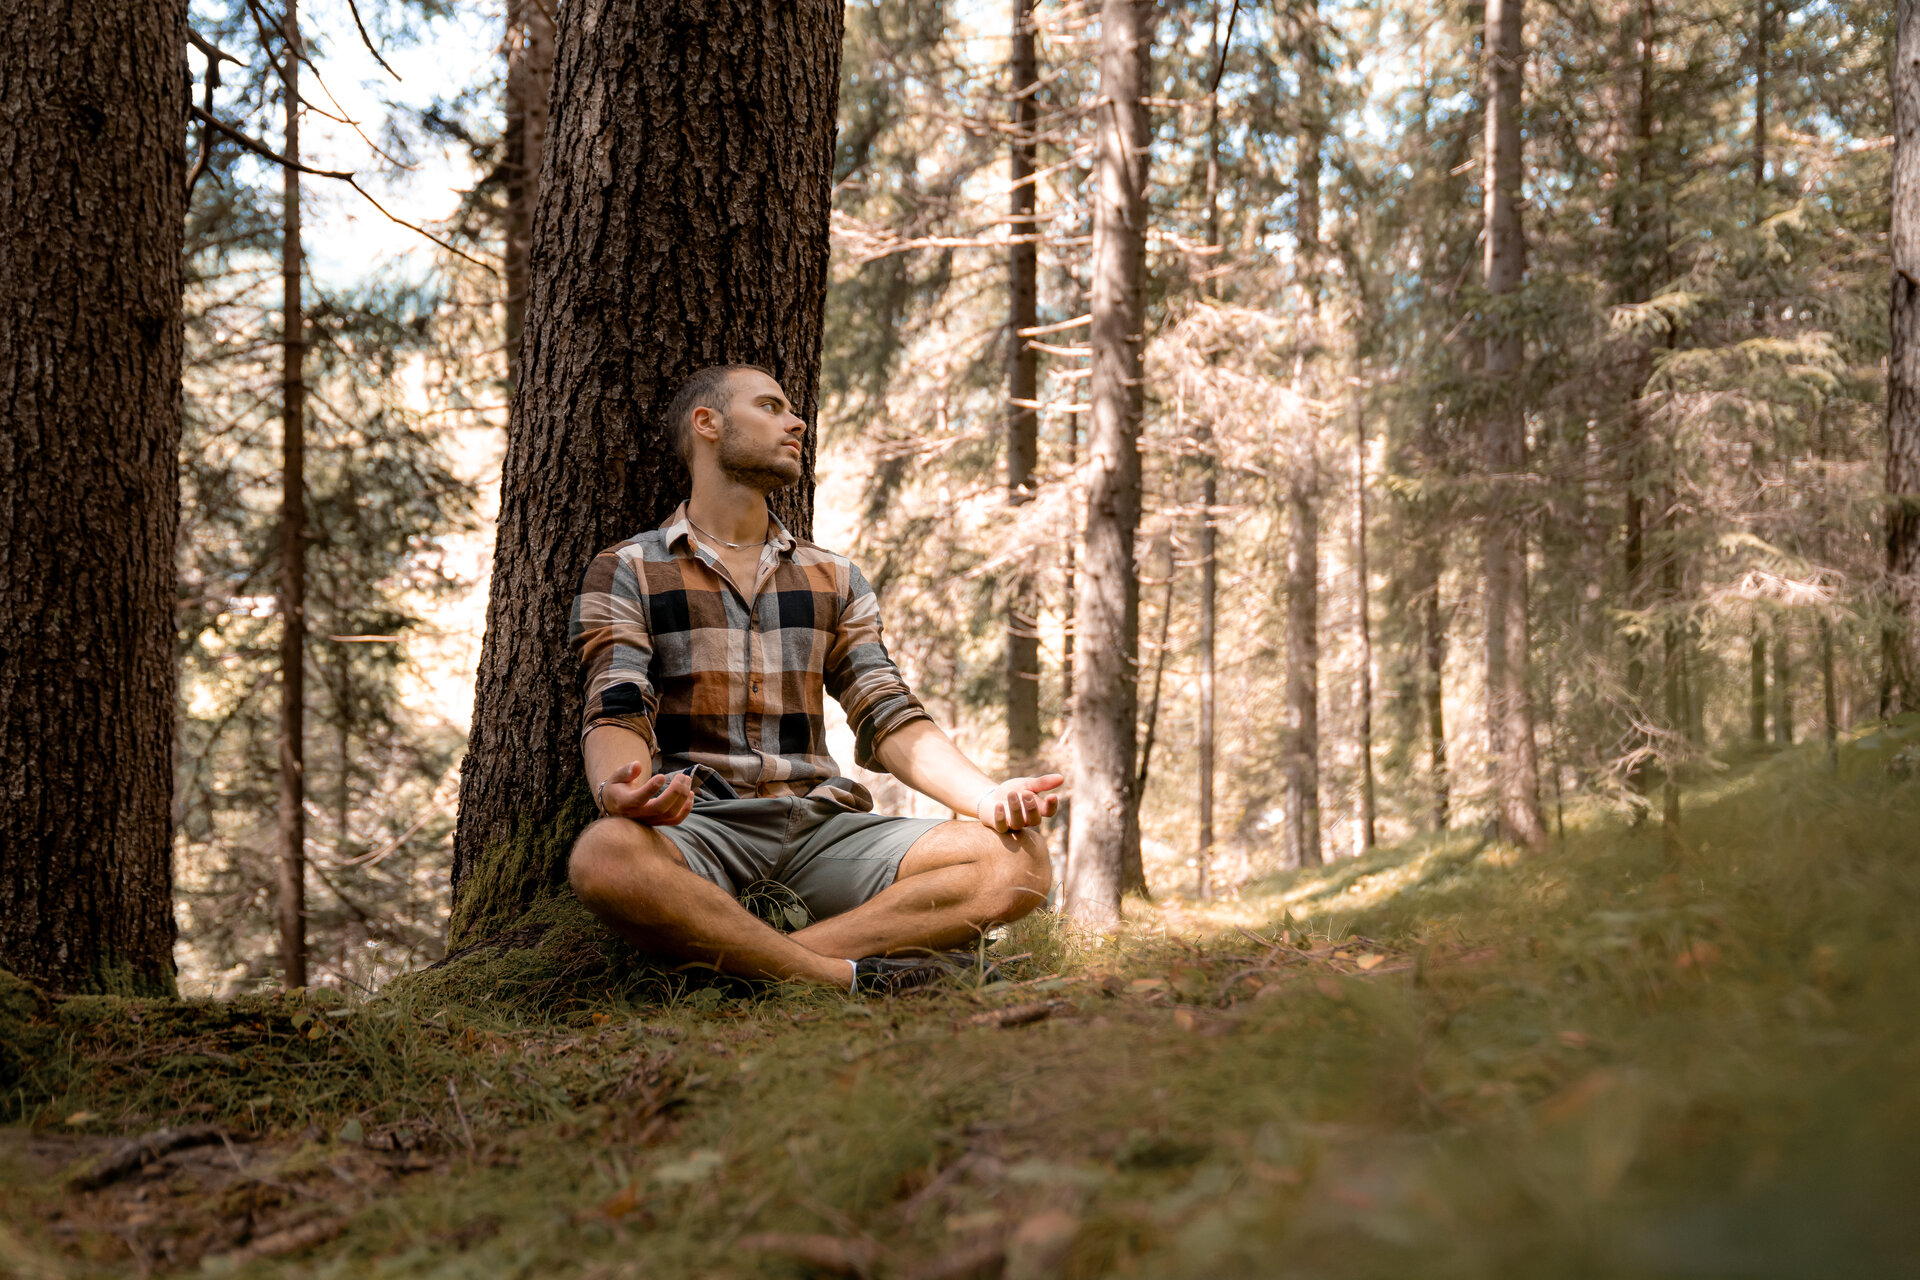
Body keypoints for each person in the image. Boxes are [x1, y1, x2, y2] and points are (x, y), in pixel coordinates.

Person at [565, 363, 1061, 993]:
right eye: (770, 406)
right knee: (604, 854)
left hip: (821, 827)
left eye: (791, 409)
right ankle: (838, 979)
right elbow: (617, 702)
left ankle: (767, 973)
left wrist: (988, 798)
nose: (796, 421)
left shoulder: (834, 577)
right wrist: (618, 790)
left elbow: (888, 711)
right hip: (697, 829)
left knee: (1015, 860)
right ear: (707, 423)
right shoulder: (629, 568)